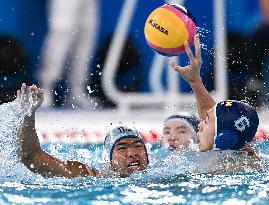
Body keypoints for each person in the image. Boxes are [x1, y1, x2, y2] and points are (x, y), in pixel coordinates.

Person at [18, 36, 261, 178]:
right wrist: (28, 115)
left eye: (137, 146)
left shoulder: (227, 163)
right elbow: (32, 158)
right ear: (107, 159)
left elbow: (214, 124)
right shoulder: (99, 177)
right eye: (122, 147)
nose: (133, 153)